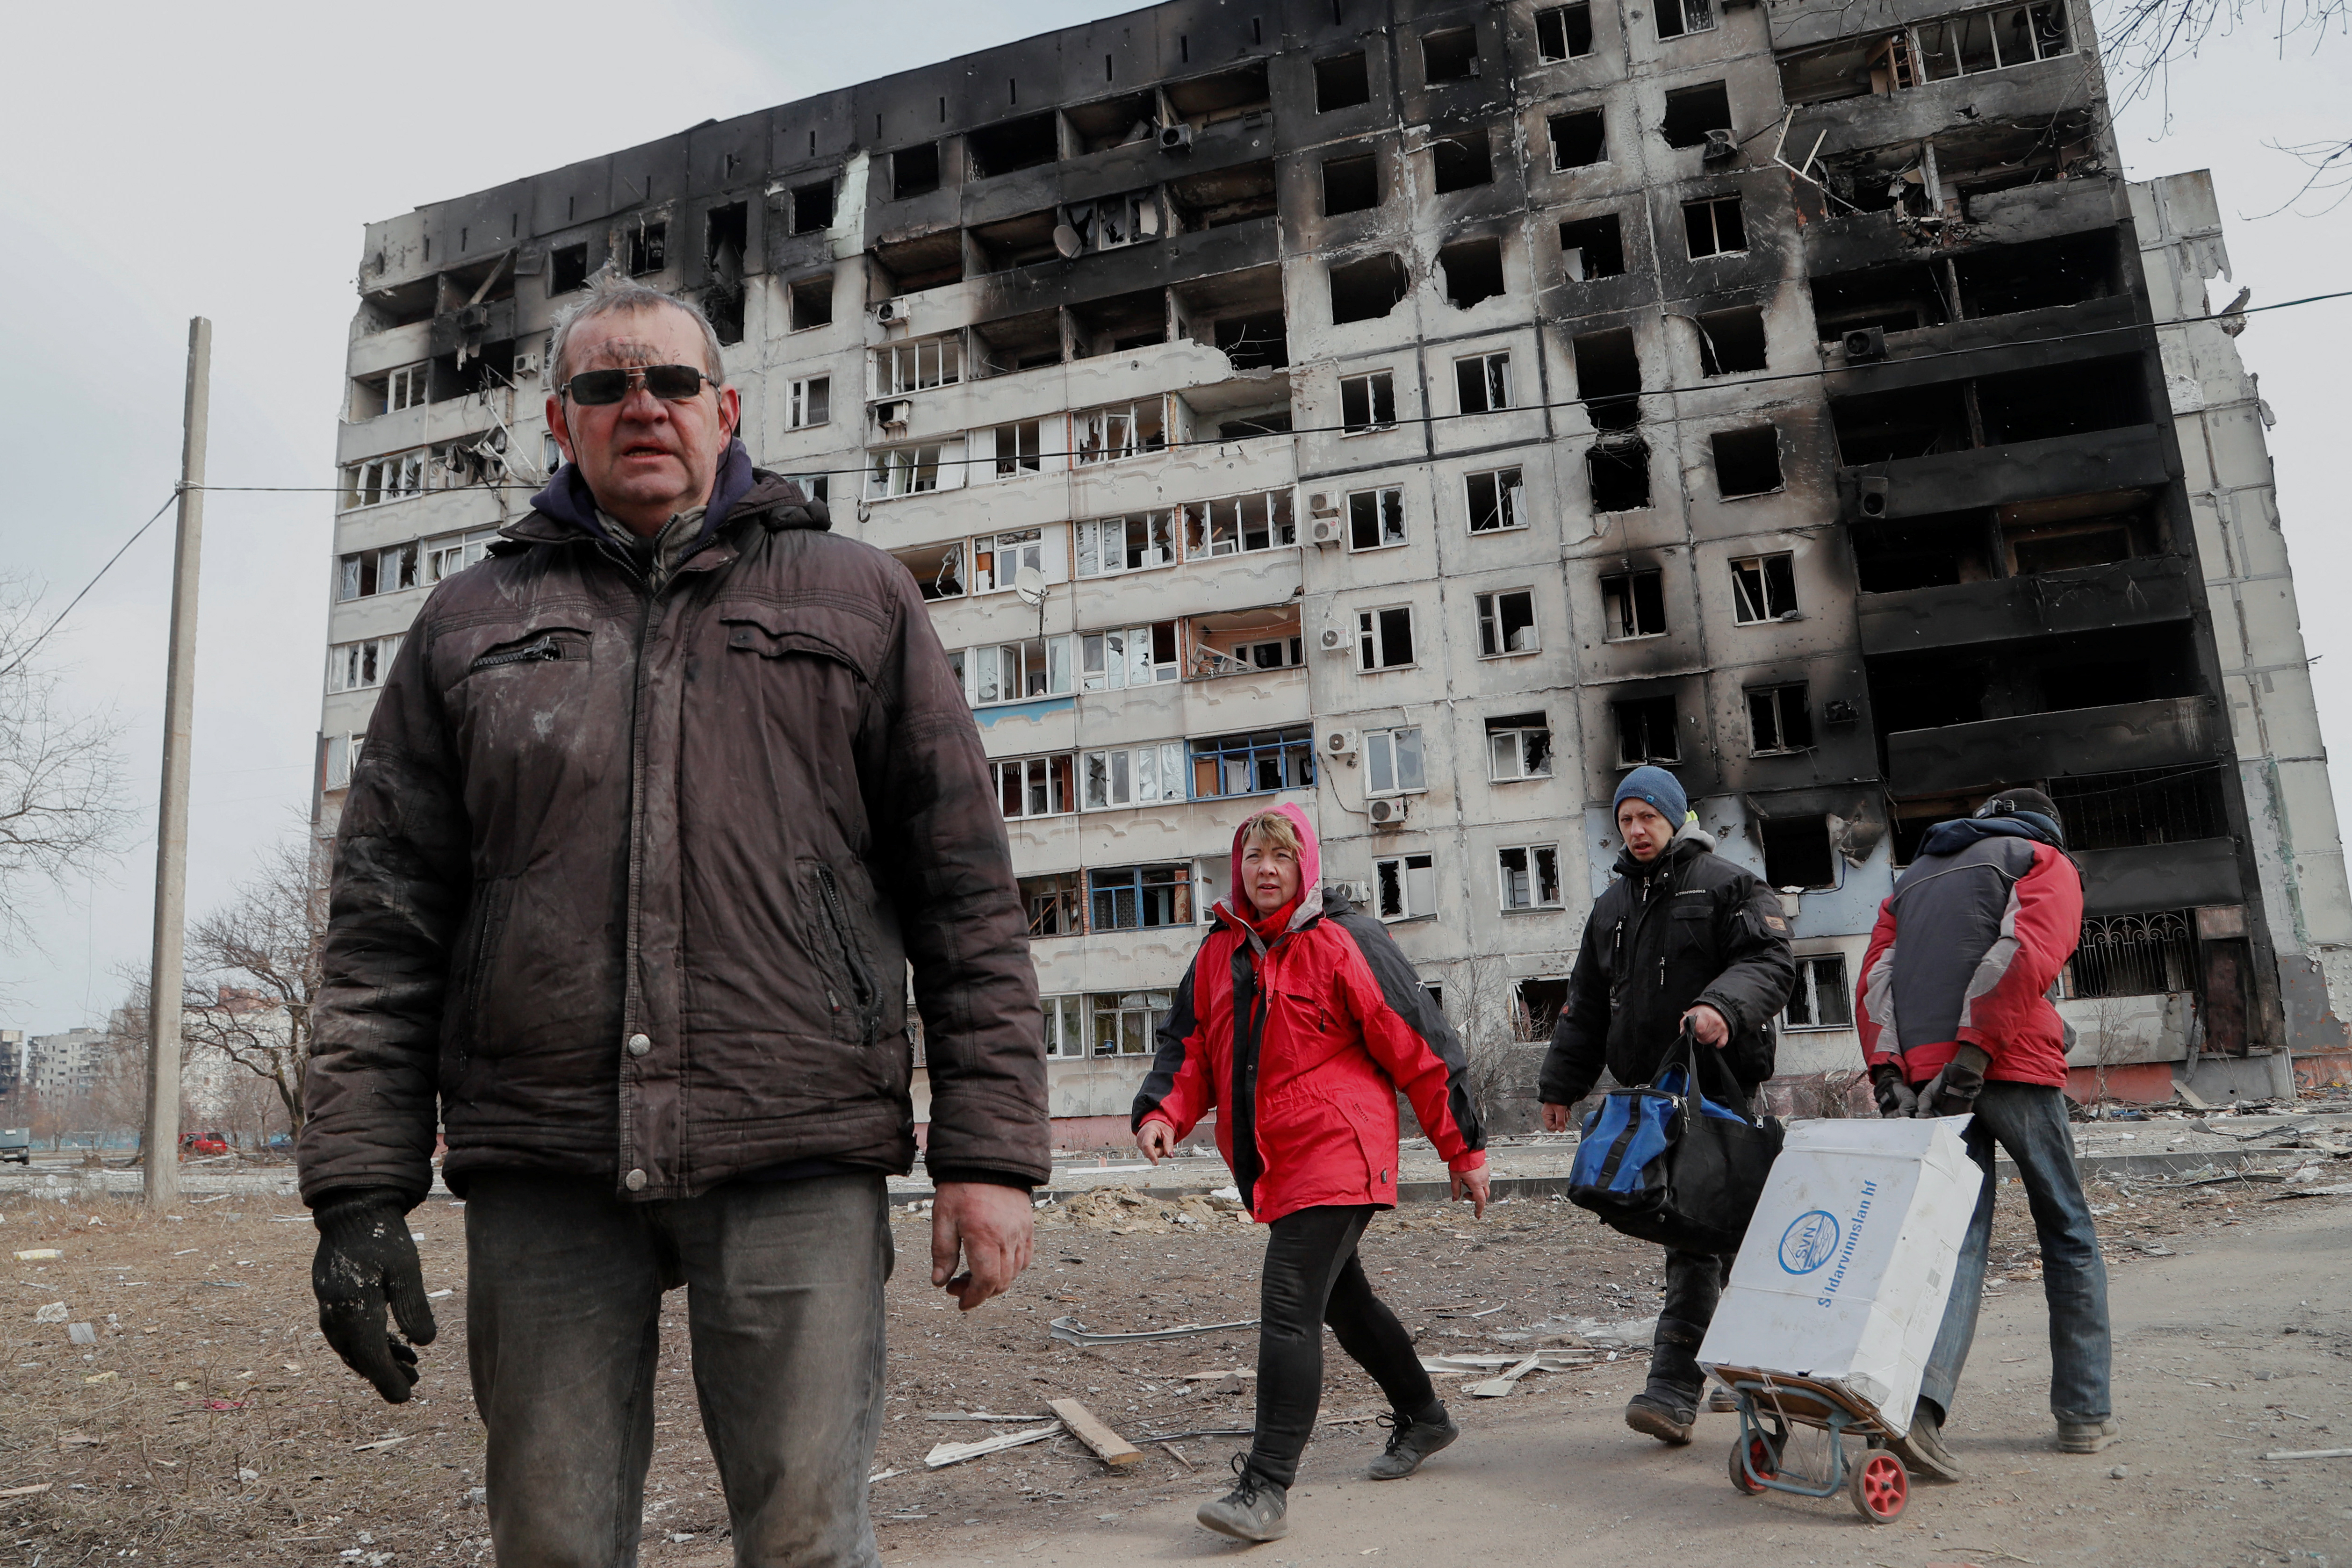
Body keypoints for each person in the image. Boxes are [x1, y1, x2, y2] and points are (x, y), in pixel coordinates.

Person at [297, 279, 1048, 1566]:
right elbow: (382, 924)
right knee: (552, 1543)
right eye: (604, 386)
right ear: (560, 421)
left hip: (794, 1134)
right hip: (544, 1155)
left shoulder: (857, 597)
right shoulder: (467, 621)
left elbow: (963, 891)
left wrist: (989, 1156)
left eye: (671, 383)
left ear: (727, 408)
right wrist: (358, 1195)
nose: (640, 406)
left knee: (808, 1539)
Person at [1132, 804, 1490, 1543]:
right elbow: (1190, 1047)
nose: (1266, 869)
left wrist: (1464, 1148)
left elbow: (1421, 1044)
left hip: (1339, 1145)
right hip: (1277, 1160)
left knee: (1290, 1295)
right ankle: (1426, 1415)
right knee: (1344, 1301)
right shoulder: (1218, 953)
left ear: (1307, 866)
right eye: (1255, 856)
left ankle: (1264, 1486)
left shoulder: (1345, 940)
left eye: (1282, 857)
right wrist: (1163, 1111)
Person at [1856, 787, 2112, 1477]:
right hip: (2012, 1065)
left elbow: (1876, 976)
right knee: (2067, 1228)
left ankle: (1921, 1412)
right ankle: (2083, 1413)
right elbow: (2027, 952)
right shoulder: (2041, 858)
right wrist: (1976, 1051)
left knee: (1955, 1246)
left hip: (1933, 1081)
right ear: (2044, 822)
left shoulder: (1911, 880)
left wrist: (1889, 1071)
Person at [1538, 765, 1796, 1445]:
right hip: (1654, 1099)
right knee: (1691, 1230)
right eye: (1625, 819)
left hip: (1724, 1091)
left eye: (1648, 816)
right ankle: (1695, 1386)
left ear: (1676, 819)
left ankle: (1728, 1390)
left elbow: (1771, 961)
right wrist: (1560, 1084)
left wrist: (1721, 1006)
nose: (1636, 829)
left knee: (1724, 1237)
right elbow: (1587, 1005)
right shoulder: (1612, 906)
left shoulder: (1727, 885)